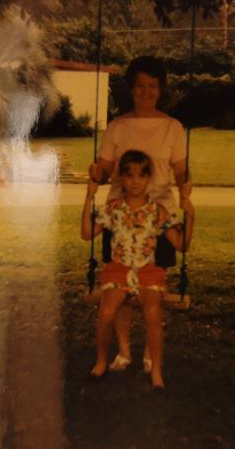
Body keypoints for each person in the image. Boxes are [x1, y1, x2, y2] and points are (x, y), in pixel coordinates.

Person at [88, 55, 191, 373]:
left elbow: (180, 170)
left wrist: (185, 184)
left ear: (161, 89)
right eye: (140, 86)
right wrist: (97, 173)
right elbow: (105, 168)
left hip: (158, 218)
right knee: (117, 289)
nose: (147, 92)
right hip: (120, 217)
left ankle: (149, 352)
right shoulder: (117, 127)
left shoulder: (173, 127)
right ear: (131, 89)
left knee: (152, 289)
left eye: (153, 86)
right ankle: (123, 350)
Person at [81, 149, 195, 388]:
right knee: (107, 312)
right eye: (129, 175)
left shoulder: (157, 211)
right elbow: (87, 233)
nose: (135, 181)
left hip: (147, 270)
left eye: (142, 175)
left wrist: (190, 213)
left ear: (149, 179)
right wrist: (89, 197)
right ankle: (101, 361)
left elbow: (181, 245)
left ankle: (156, 370)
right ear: (121, 178)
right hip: (118, 268)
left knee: (153, 312)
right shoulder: (113, 209)